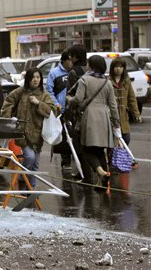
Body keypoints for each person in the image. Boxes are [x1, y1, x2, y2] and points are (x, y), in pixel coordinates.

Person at [67, 55, 120, 190]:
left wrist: (69, 99)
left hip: (89, 116)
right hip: (104, 117)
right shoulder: (107, 82)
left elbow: (78, 99)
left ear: (92, 66)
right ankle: (102, 182)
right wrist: (116, 124)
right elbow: (113, 106)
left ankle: (101, 173)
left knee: (86, 149)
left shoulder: (85, 79)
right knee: (100, 150)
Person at [1, 67, 57, 189]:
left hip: (38, 134)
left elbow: (52, 111)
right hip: (22, 133)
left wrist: (38, 103)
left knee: (35, 164)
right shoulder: (20, 92)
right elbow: (8, 103)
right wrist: (8, 120)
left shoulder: (44, 95)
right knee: (29, 157)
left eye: (38, 77)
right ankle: (22, 178)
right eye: (33, 77)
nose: (35, 80)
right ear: (28, 79)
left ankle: (31, 188)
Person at [65, 44, 92, 184]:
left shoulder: (73, 73)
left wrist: (67, 116)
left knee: (78, 145)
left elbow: (70, 96)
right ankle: (88, 173)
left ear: (75, 56)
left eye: (71, 55)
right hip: (92, 112)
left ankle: (86, 176)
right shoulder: (90, 70)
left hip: (78, 114)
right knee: (92, 144)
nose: (70, 58)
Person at [108, 57, 141, 166]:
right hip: (111, 117)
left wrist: (136, 114)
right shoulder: (108, 81)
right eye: (116, 66)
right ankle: (113, 163)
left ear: (124, 68)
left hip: (123, 116)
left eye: (121, 67)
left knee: (126, 138)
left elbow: (132, 98)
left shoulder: (126, 81)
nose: (118, 69)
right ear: (112, 68)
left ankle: (120, 160)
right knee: (112, 142)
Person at [45, 50, 73, 170]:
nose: (72, 63)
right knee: (63, 136)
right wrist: (56, 104)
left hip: (73, 110)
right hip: (60, 111)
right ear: (65, 60)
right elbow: (49, 91)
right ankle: (65, 161)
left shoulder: (74, 72)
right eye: (70, 61)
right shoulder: (54, 73)